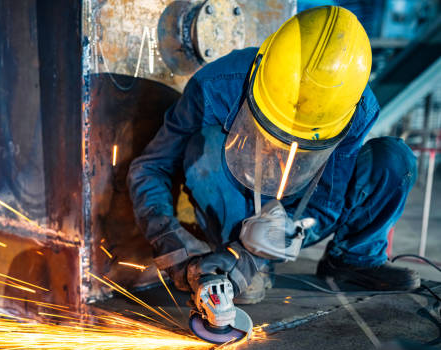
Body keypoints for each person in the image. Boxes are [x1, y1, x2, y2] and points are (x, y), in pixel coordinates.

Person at [127, 5, 419, 304]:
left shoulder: (356, 109)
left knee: (394, 159)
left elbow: (329, 198)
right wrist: (169, 240)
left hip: (297, 217)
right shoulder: (214, 86)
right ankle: (236, 258)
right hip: (236, 208)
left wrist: (289, 234)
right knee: (204, 143)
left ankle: (353, 261)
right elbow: (150, 168)